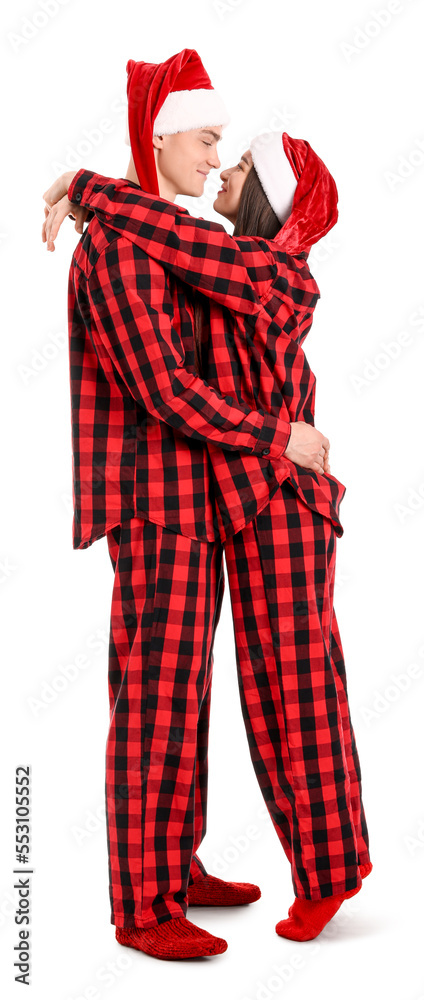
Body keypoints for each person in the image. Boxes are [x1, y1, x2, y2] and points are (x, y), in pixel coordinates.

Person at [44, 124, 373, 946]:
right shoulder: (206, 262)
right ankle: (160, 880)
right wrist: (101, 203)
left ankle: (329, 876)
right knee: (184, 698)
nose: (221, 167)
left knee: (296, 691)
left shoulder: (275, 273)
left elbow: (175, 239)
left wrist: (90, 190)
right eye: (213, 147)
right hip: (226, 503)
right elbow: (171, 274)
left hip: (284, 501)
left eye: (240, 164)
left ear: (267, 199)